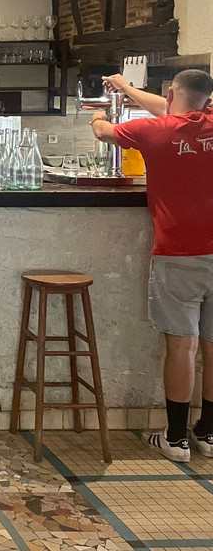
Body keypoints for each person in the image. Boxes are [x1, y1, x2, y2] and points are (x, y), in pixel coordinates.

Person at [92, 69, 213, 462]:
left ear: (173, 94)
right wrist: (127, 88)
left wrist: (98, 114)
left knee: (182, 346)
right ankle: (209, 434)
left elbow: (104, 133)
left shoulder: (154, 131)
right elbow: (175, 110)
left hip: (179, 252)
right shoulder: (207, 120)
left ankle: (176, 438)